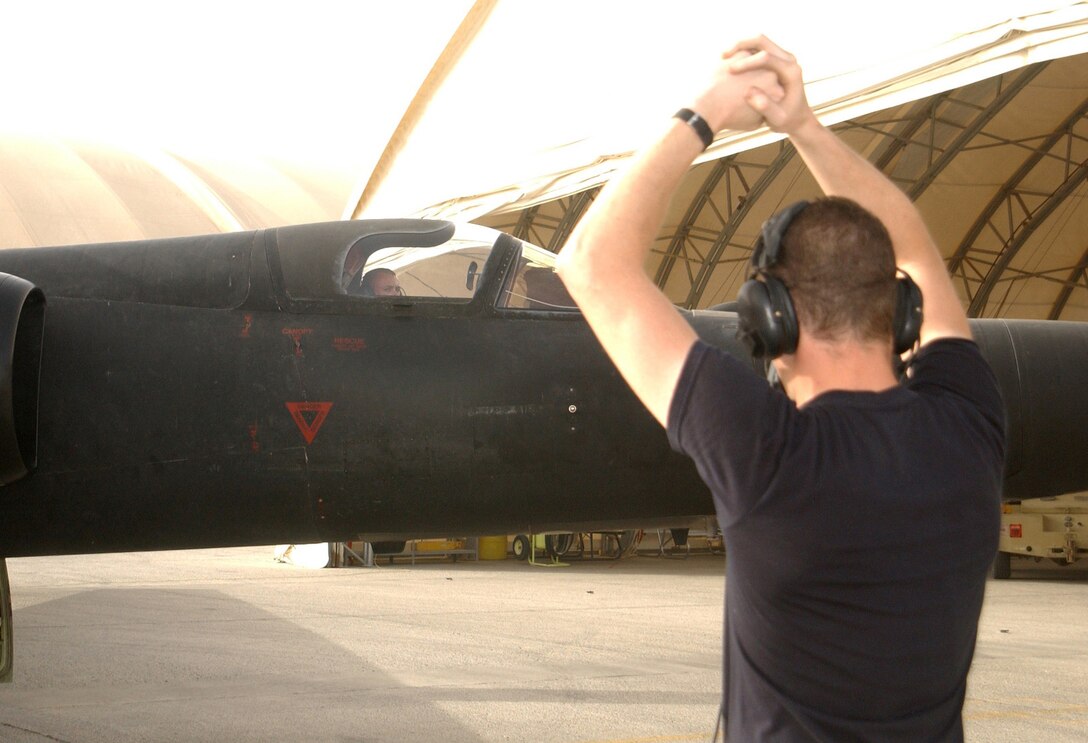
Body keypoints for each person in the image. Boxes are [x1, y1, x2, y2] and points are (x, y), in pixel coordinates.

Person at [556, 37, 1005, 741]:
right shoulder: (969, 425)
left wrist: (710, 108)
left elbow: (588, 262)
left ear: (774, 317)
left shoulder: (769, 455)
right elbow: (915, 246)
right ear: (903, 310)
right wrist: (806, 126)